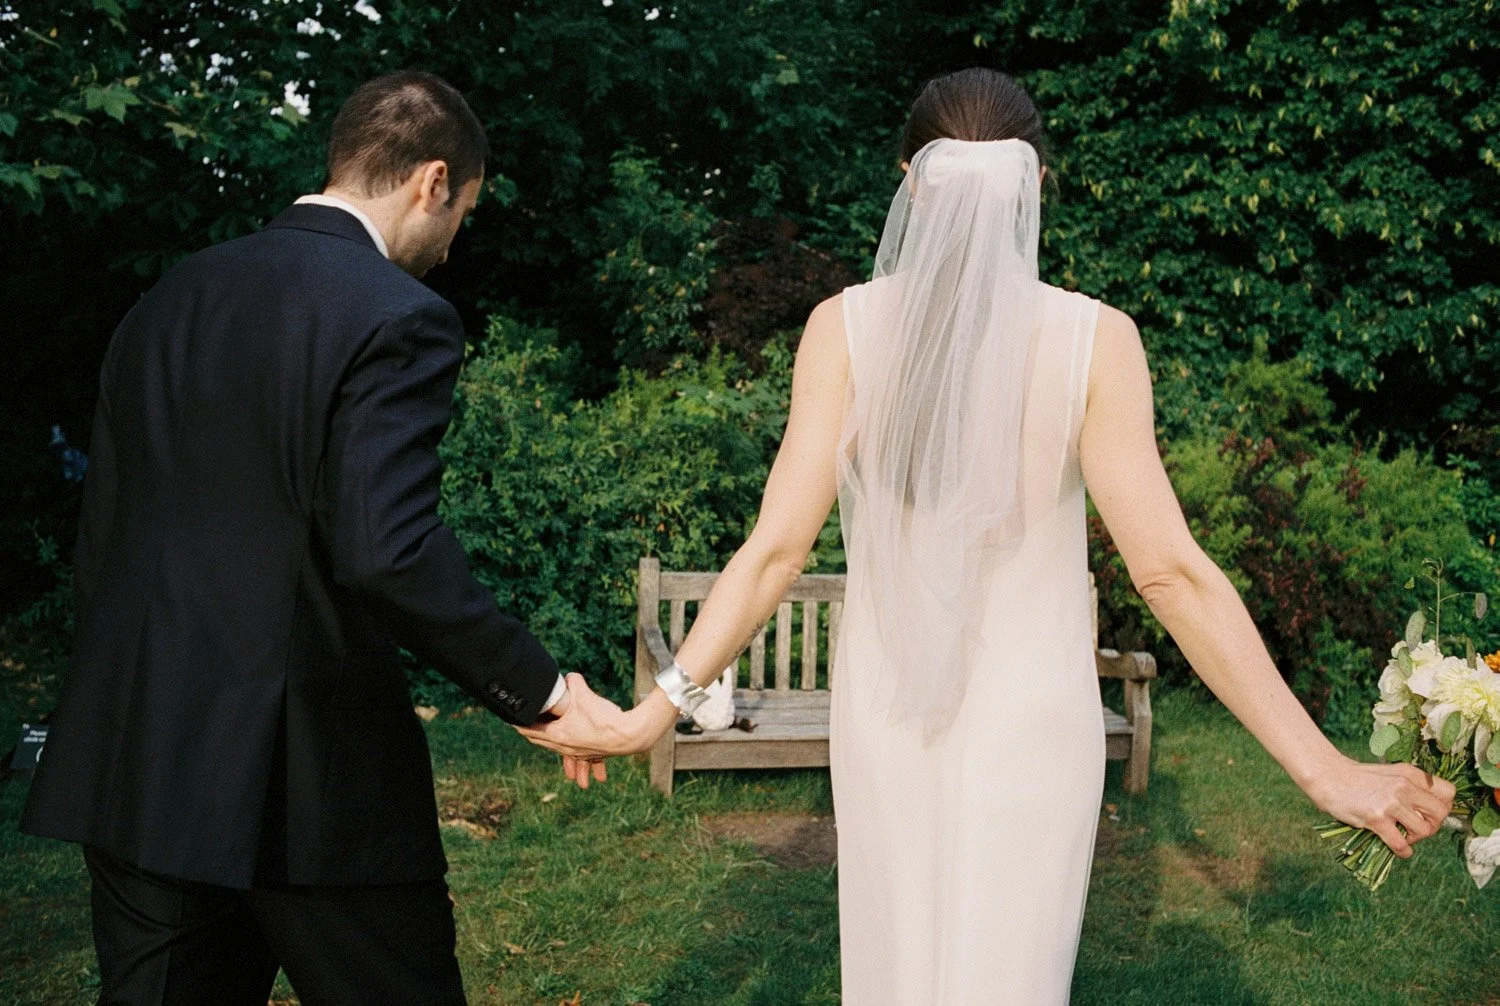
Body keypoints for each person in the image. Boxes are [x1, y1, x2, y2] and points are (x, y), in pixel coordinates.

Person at [519, 68, 1458, 1003]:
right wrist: (1324, 771)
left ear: (910, 180)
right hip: (1034, 729)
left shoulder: (841, 330)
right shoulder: (1096, 341)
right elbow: (1171, 574)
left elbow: (772, 551)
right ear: (1036, 185)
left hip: (885, 723)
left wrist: (655, 712)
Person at [21, 71, 587, 1005]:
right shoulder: (398, 316)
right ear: (431, 181)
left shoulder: (168, 298)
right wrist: (539, 689)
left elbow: (107, 536)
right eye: (466, 214)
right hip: (316, 790)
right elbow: (387, 546)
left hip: (140, 761)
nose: (452, 248)